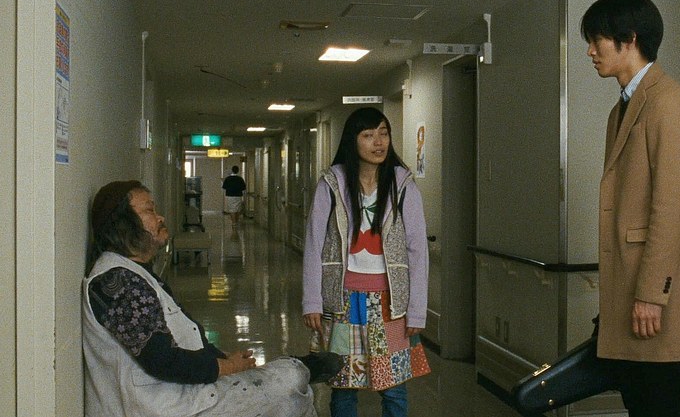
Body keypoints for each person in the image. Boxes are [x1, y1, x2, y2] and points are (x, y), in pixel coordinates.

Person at [82, 180, 340, 417]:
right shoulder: (117, 283)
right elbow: (162, 360)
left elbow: (184, 335)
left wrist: (223, 358)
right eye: (149, 210)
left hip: (174, 395)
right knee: (288, 383)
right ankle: (301, 367)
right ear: (123, 224)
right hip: (159, 407)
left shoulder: (134, 273)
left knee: (288, 391)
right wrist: (228, 368)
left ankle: (298, 368)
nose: (160, 217)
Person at [581, 0, 680, 416]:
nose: (591, 51)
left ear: (629, 39)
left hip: (654, 297)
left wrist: (652, 294)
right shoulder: (623, 108)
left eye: (597, 39)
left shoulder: (669, 102)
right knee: (642, 404)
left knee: (664, 404)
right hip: (628, 293)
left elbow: (672, 208)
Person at [302, 107, 431, 417]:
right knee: (344, 385)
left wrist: (416, 309)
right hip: (343, 301)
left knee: (394, 387)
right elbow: (314, 243)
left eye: (384, 134)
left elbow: (417, 251)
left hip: (390, 304)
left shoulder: (403, 186)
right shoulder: (332, 184)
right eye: (369, 135)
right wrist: (312, 301)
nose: (379, 142)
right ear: (353, 140)